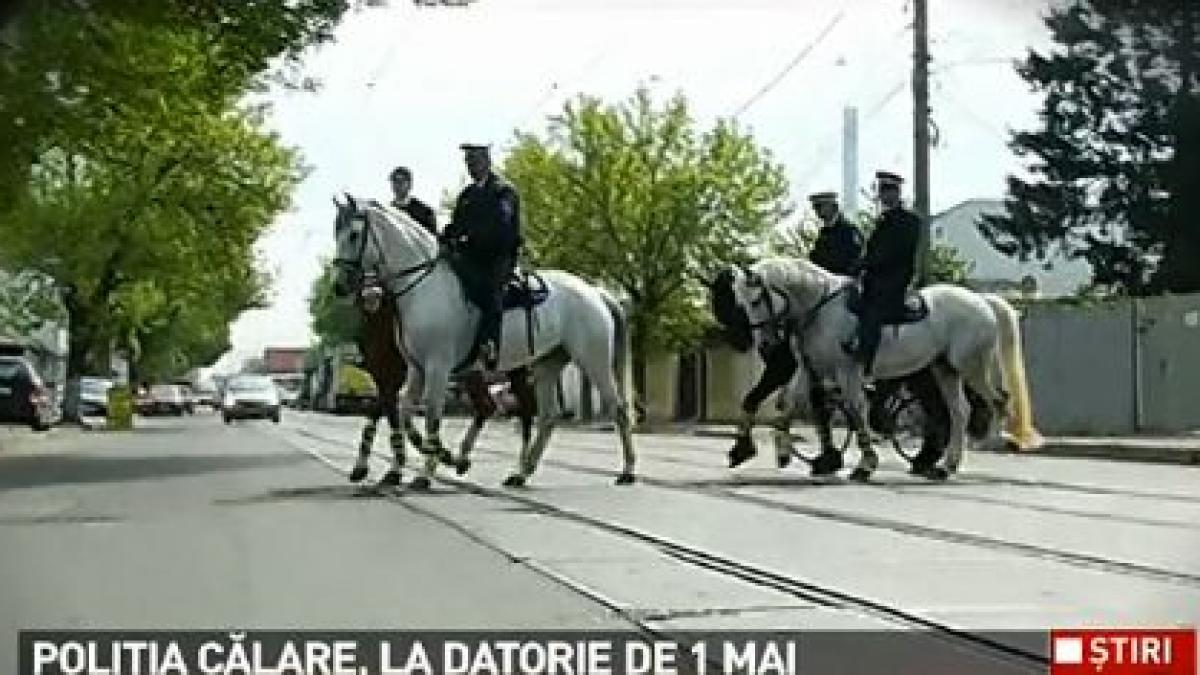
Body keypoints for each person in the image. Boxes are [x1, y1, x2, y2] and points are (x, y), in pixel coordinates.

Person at [442, 143, 522, 370]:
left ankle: (490, 344)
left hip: (499, 256)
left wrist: (471, 238)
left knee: (492, 290)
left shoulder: (503, 191)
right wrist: (446, 239)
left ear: (487, 160)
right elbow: (456, 226)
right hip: (472, 257)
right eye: (468, 162)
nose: (471, 167)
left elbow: (503, 225)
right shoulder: (466, 195)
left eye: (475, 161)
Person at [846, 171, 921, 376]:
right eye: (882, 191)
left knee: (873, 312)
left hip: (894, 279)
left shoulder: (910, 221)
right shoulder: (882, 221)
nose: (884, 196)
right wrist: (858, 265)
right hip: (875, 278)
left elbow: (895, 253)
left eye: (889, 191)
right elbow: (872, 250)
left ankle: (866, 365)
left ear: (897, 193)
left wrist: (865, 264)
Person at [807, 191, 863, 276]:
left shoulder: (848, 230)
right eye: (815, 207)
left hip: (845, 282)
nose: (817, 211)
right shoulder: (824, 233)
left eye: (820, 206)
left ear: (834, 207)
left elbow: (857, 259)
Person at [388, 166, 438, 235]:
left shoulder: (425, 212)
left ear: (409, 185)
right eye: (394, 181)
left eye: (401, 181)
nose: (397, 185)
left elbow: (432, 241)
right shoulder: (387, 212)